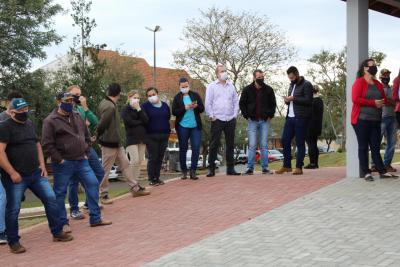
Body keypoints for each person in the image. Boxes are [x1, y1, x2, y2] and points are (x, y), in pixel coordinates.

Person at [0, 98, 73, 254]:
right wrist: (12, 172)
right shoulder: (4, 127)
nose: (24, 113)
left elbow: (37, 145)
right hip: (16, 177)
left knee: (51, 199)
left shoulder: (29, 124)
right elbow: (0, 152)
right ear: (12, 112)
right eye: (20, 111)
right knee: (13, 209)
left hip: (35, 173)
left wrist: (42, 165)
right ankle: (14, 242)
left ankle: (57, 232)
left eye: (26, 109)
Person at [42, 92, 112, 232]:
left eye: (72, 100)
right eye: (66, 100)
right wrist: (60, 159)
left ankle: (95, 218)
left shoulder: (77, 116)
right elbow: (47, 144)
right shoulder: (50, 120)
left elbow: (86, 136)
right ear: (58, 102)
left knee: (93, 184)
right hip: (63, 163)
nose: (70, 103)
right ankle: (63, 223)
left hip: (81, 160)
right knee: (60, 193)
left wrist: (86, 152)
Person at [97, 83, 150, 204]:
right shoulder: (109, 106)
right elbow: (102, 124)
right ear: (119, 94)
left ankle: (135, 188)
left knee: (125, 165)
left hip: (117, 142)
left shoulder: (107, 103)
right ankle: (103, 194)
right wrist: (98, 136)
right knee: (105, 170)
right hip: (108, 143)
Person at [351, 59, 397, 181]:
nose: (374, 68)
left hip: (376, 120)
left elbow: (384, 99)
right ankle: (366, 173)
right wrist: (373, 103)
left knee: (375, 147)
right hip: (361, 120)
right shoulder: (359, 82)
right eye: (372, 66)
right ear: (365, 68)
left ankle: (382, 171)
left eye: (375, 66)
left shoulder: (377, 84)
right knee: (363, 147)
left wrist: (389, 102)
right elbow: (355, 99)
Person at [66, 85, 105, 220]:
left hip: (87, 147)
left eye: (79, 94)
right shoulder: (67, 109)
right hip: (74, 150)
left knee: (99, 172)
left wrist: (86, 107)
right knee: (74, 180)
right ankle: (74, 209)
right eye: (75, 94)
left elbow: (95, 122)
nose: (78, 97)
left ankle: (89, 203)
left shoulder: (81, 108)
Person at [276, 66, 313, 175]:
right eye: (289, 78)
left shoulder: (306, 84)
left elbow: (308, 100)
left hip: (301, 117)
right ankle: (287, 166)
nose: (291, 79)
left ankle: (299, 167)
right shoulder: (291, 85)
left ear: (297, 74)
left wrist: (294, 99)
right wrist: (287, 100)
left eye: (292, 77)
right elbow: (290, 102)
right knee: (284, 140)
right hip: (290, 117)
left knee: (300, 142)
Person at [205, 64, 240, 177]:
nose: (224, 73)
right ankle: (211, 169)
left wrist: (235, 115)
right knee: (214, 144)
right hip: (217, 119)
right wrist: (211, 115)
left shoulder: (231, 86)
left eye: (225, 71)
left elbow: (235, 101)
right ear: (217, 74)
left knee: (230, 144)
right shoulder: (211, 86)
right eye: (221, 71)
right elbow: (208, 103)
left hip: (230, 119)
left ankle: (230, 169)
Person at [240, 69, 276, 175]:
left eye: (262, 77)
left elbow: (273, 104)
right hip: (252, 121)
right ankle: (250, 168)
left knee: (264, 145)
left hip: (265, 121)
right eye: (259, 77)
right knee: (252, 145)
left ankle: (265, 168)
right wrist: (246, 116)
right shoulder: (247, 90)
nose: (261, 79)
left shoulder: (269, 90)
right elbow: (242, 104)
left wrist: (270, 115)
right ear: (254, 78)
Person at [0, 91, 23, 245]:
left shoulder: (21, 119)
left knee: (14, 198)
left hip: (13, 166)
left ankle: (7, 229)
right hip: (4, 165)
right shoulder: (2, 119)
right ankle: (2, 231)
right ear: (8, 103)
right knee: (3, 197)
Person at [172, 77, 204, 180]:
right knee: (183, 148)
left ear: (188, 85)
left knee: (195, 148)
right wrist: (184, 108)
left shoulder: (195, 95)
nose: (185, 88)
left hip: (195, 126)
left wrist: (196, 107)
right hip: (182, 126)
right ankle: (184, 171)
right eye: (183, 87)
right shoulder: (177, 97)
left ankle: (193, 171)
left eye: (186, 86)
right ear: (179, 86)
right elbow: (174, 112)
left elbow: (202, 109)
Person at [141, 87, 171, 185]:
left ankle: (157, 177)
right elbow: (143, 120)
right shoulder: (145, 106)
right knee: (152, 157)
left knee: (160, 157)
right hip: (151, 136)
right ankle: (151, 179)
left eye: (153, 94)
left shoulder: (165, 106)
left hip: (164, 135)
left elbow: (168, 117)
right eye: (149, 96)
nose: (152, 97)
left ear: (157, 94)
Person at [121, 90, 148, 182]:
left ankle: (135, 182)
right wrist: (140, 123)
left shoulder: (141, 108)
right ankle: (131, 182)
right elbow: (129, 122)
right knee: (135, 161)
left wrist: (139, 109)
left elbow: (146, 120)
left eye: (138, 98)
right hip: (132, 139)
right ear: (129, 98)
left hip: (142, 138)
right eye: (134, 97)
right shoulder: (125, 109)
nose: (136, 100)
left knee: (139, 161)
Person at [376, 69, 397, 172]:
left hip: (392, 117)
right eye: (384, 75)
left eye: (388, 75)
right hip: (381, 118)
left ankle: (387, 164)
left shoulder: (392, 88)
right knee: (376, 141)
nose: (386, 77)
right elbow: (383, 101)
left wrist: (388, 100)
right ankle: (374, 164)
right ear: (381, 77)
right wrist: (390, 101)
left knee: (392, 142)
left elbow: (395, 101)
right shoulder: (378, 88)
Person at [305, 85, 324, 169]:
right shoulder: (320, 101)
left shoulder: (312, 101)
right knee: (314, 144)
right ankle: (315, 163)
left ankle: (312, 163)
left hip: (310, 125)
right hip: (317, 125)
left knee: (311, 144)